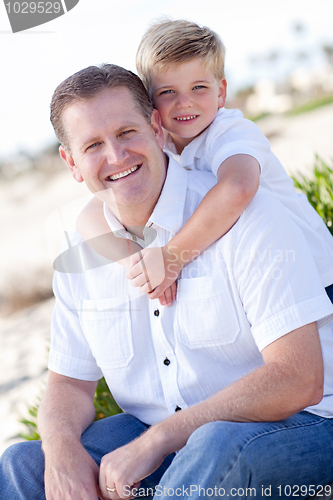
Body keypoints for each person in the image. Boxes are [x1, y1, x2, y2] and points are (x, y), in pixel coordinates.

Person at [1, 63, 333, 500]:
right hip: (162, 436)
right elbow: (68, 384)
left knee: (214, 445)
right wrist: (61, 451)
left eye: (126, 133)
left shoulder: (245, 213)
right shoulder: (82, 250)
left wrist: (160, 440)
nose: (116, 157)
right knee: (22, 466)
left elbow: (297, 378)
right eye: (94, 145)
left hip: (299, 427)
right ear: (71, 163)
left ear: (157, 128)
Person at [78, 19, 333, 308]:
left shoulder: (230, 132)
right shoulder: (160, 148)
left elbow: (237, 187)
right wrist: (137, 265)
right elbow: (90, 215)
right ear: (149, 103)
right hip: (261, 277)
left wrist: (171, 257)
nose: (184, 102)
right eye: (167, 92)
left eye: (198, 87)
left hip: (317, 275)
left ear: (221, 92)